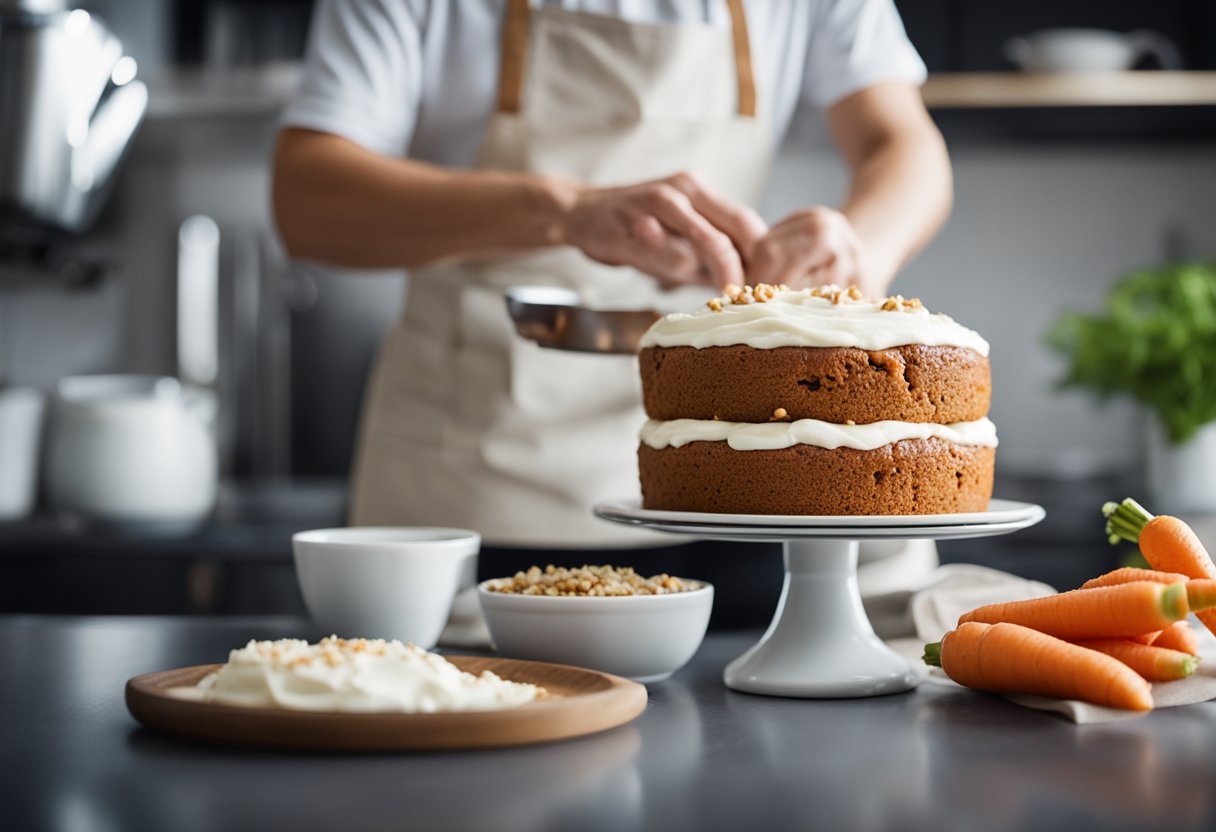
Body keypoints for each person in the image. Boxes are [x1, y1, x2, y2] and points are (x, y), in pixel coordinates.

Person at [272, 0, 952, 628]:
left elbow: (905, 145)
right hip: (481, 488)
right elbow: (307, 198)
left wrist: (859, 244)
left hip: (754, 486)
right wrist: (565, 211)